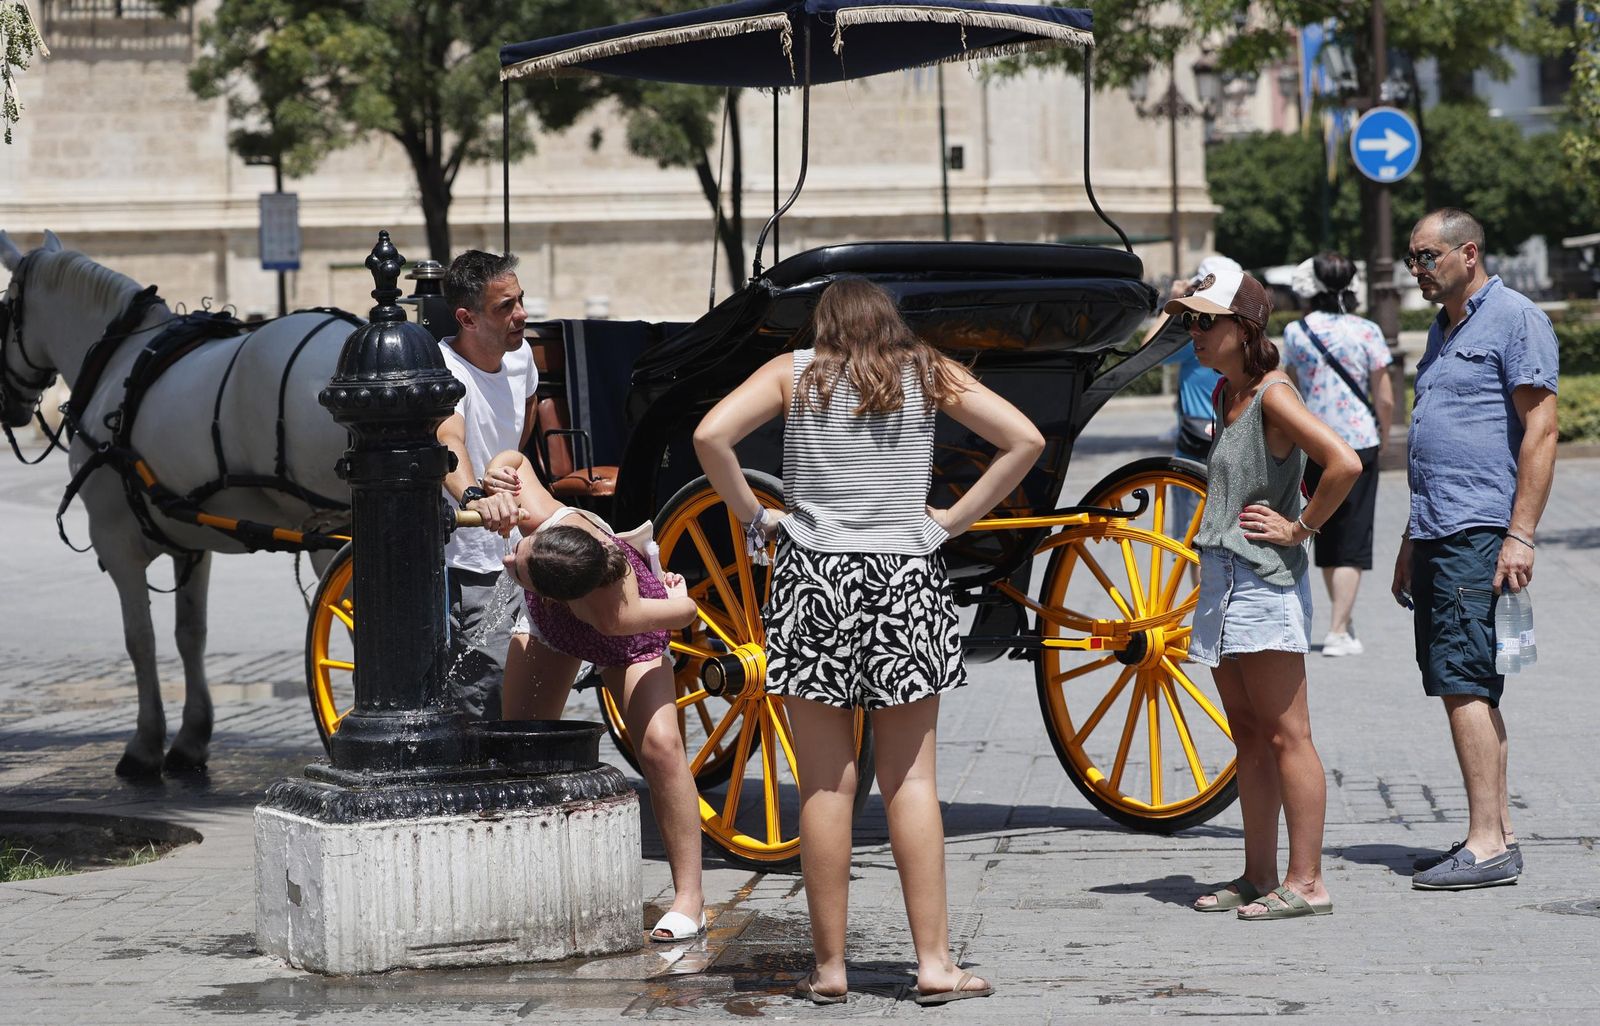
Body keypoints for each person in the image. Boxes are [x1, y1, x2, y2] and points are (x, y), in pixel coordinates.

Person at [693, 278, 1042, 1005]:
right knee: (912, 781)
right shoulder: (928, 371)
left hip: (813, 580)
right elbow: (1026, 439)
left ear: (824, 325)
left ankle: (829, 970)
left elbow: (710, 436)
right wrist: (951, 521)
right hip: (906, 578)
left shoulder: (793, 374)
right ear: (889, 322)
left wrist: (756, 517)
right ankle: (935, 965)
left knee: (825, 783)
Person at [1171, 266, 1361, 921]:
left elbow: (1345, 462)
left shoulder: (1272, 396)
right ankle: (1258, 874)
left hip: (1264, 583)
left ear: (1242, 326)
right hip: (1224, 580)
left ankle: (1308, 882)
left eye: (1204, 320)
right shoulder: (1230, 390)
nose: (1191, 331)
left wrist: (1301, 526)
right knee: (1249, 736)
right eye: (1188, 319)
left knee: (1288, 737)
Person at [1395, 208, 1558, 891]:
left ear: (1468, 253)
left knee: (1464, 679)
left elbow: (1541, 430)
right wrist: (1409, 536)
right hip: (1438, 526)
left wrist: (1520, 534)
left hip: (1478, 528)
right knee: (1462, 680)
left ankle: (1487, 844)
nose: (1416, 269)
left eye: (1426, 257)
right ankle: (1498, 830)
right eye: (1411, 258)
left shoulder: (1515, 318)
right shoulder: (1442, 327)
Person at [492, 449, 709, 941]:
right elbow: (515, 459)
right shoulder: (546, 522)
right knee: (521, 745)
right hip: (554, 633)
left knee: (660, 748)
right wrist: (495, 477)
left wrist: (676, 597)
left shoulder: (618, 614)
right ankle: (528, 883)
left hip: (629, 639)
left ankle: (690, 900)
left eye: (517, 567)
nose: (509, 558)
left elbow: (686, 614)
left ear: (553, 596)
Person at [435, 250, 539, 720]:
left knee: (530, 682)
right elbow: (447, 439)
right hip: (469, 554)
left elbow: (523, 426)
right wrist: (477, 495)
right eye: (505, 307)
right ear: (466, 318)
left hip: (518, 543)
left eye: (520, 300)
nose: (521, 314)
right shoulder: (445, 371)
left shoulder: (522, 360)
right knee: (482, 692)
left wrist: (509, 473)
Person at [1281, 253, 1395, 657]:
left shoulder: (1296, 331)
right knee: (1354, 533)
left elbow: (1290, 389)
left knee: (1319, 526)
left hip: (1315, 440)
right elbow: (1383, 394)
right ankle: (1338, 628)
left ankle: (1339, 622)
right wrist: (1383, 432)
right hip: (1359, 441)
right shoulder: (1366, 330)